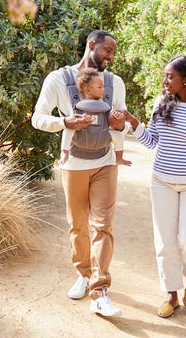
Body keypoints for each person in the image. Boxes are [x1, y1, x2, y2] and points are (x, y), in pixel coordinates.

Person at [31, 30, 127, 317]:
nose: (110, 56)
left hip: (105, 162)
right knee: (77, 225)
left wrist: (120, 126)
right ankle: (83, 274)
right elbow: (38, 117)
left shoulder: (115, 83)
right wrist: (65, 122)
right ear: (91, 45)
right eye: (107, 50)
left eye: (113, 52)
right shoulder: (58, 79)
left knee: (103, 226)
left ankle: (100, 290)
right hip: (74, 164)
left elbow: (121, 121)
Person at [123, 55, 186, 318]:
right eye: (165, 75)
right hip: (161, 181)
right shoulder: (161, 103)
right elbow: (152, 141)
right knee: (165, 241)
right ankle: (171, 294)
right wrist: (134, 123)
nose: (164, 80)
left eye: (170, 76)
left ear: (185, 80)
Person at [59, 66, 131, 167]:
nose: (104, 90)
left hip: (102, 137)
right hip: (80, 138)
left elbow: (110, 119)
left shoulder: (106, 107)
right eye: (100, 87)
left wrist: (116, 117)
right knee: (67, 129)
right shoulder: (78, 108)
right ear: (87, 90)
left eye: (103, 87)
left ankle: (119, 158)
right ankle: (65, 153)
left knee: (118, 136)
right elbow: (72, 120)